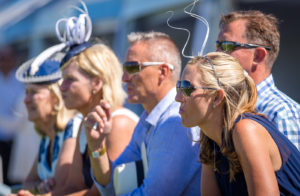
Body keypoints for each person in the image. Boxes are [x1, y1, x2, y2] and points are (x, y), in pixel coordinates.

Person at [83, 31, 201, 195]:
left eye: (132, 68)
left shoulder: (175, 121)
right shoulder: (149, 120)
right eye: (124, 69)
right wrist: (97, 147)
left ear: (163, 72)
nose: (124, 78)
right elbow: (111, 185)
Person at [175, 51, 300, 195]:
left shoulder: (246, 130)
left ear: (217, 97)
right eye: (179, 86)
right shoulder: (209, 138)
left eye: (187, 88)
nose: (178, 97)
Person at [216, 10, 300, 150]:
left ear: (258, 56)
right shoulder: (223, 107)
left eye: (227, 46)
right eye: (218, 45)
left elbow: (293, 172)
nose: (217, 54)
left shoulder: (282, 113)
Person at [14, 52, 81, 195]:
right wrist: (39, 188)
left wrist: (36, 190)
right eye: (26, 92)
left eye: (33, 92)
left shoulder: (73, 128)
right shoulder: (47, 137)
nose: (26, 100)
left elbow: (61, 189)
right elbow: (27, 183)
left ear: (56, 97)